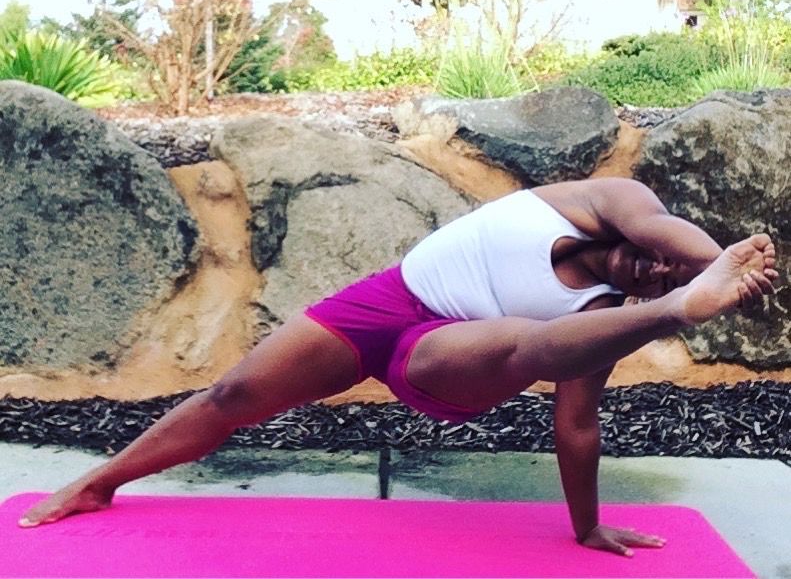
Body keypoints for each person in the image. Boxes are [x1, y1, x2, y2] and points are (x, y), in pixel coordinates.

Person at [18, 177, 777, 557]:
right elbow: (661, 230)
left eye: (658, 279)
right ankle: (97, 481)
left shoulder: (597, 320)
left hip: (447, 355)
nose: (646, 263)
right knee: (235, 391)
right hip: (387, 299)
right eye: (661, 259)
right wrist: (718, 263)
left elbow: (576, 420)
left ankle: (687, 308)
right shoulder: (617, 198)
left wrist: (585, 529)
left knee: (528, 344)